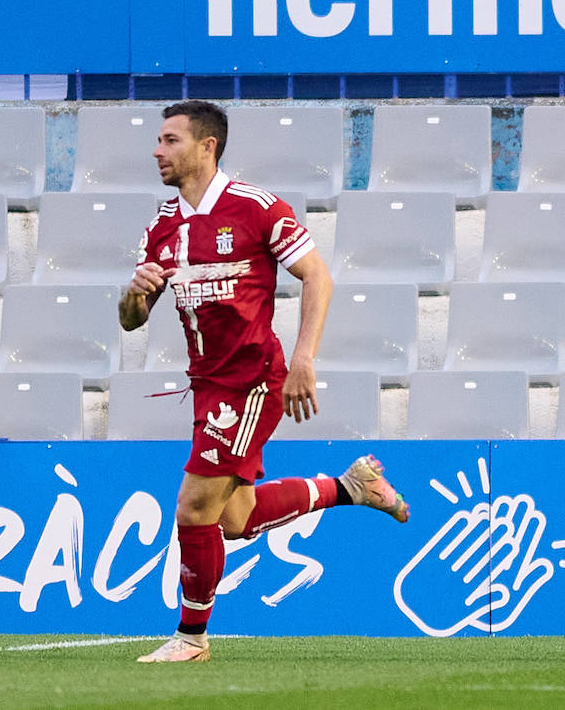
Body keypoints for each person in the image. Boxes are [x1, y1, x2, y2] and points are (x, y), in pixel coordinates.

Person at [118, 100, 410, 663]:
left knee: (193, 510)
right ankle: (349, 488)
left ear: (207, 146)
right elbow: (131, 320)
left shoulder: (255, 208)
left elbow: (317, 276)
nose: (158, 150)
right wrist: (133, 295)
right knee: (235, 518)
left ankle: (191, 638)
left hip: (252, 379)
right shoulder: (162, 225)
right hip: (207, 384)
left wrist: (304, 357)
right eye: (158, 140)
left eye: (170, 140)